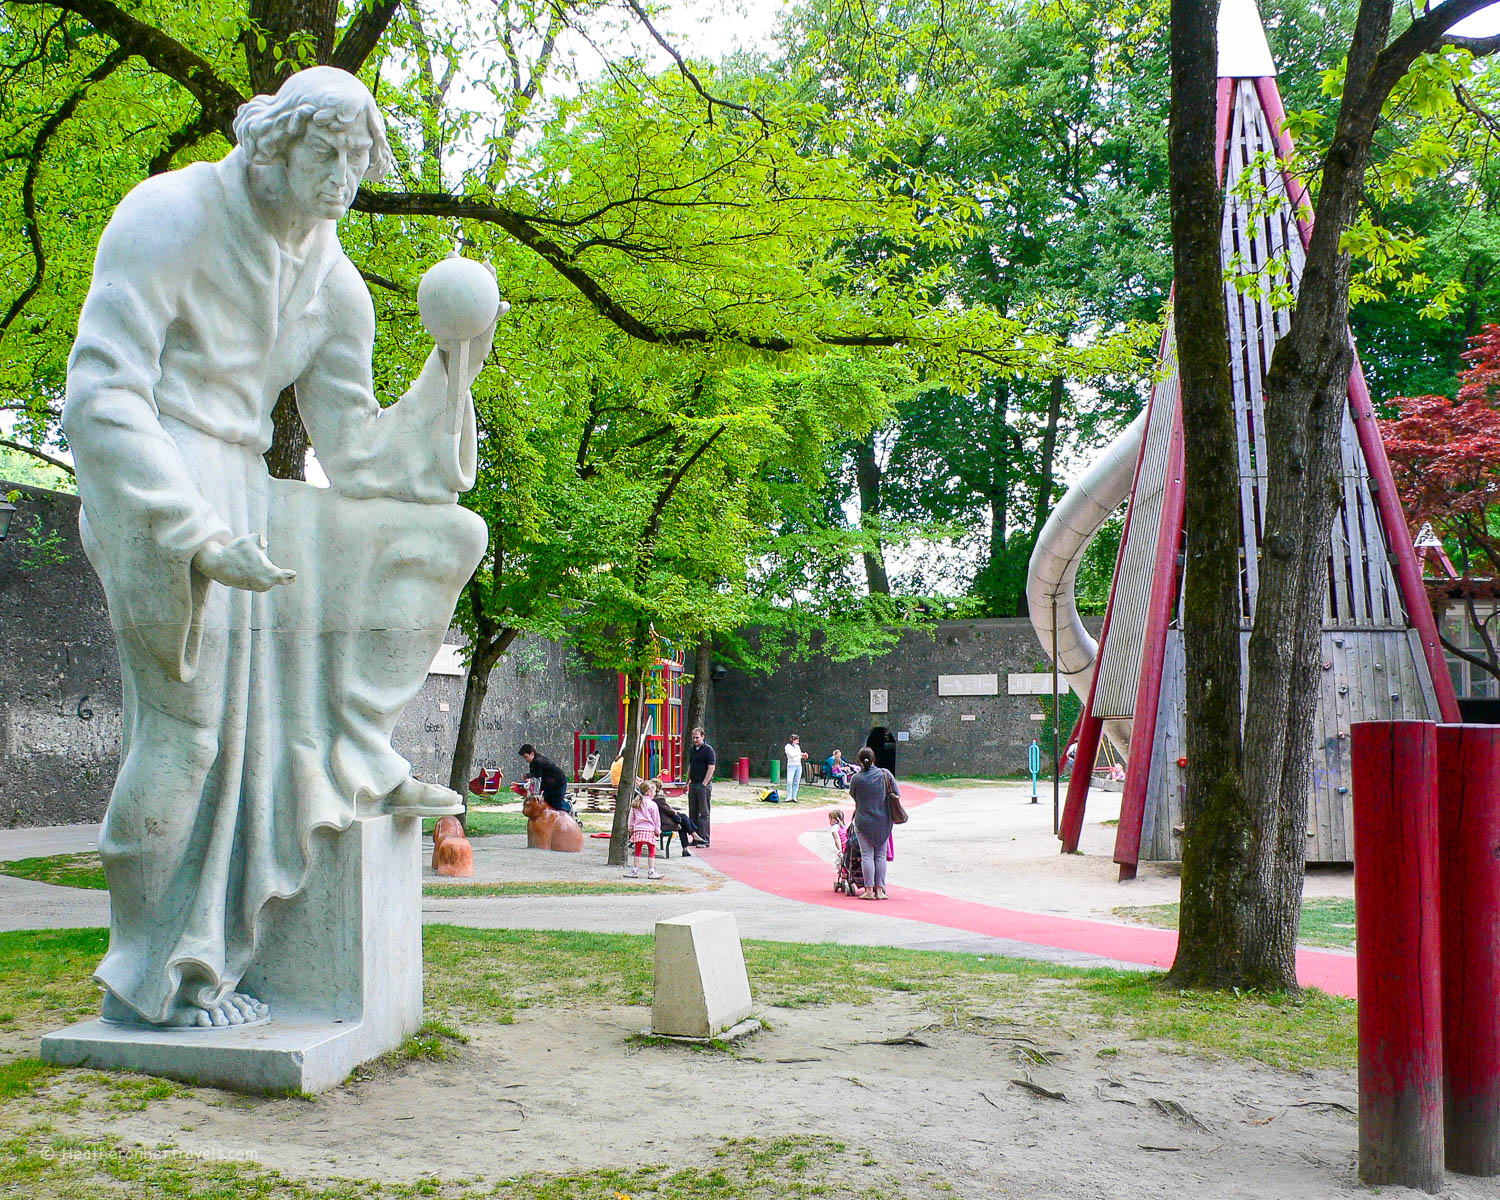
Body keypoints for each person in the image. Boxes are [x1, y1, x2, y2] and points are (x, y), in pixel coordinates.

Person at [62, 67, 493, 1029]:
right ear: (272, 143)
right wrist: (194, 531)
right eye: (325, 152)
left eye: (358, 159)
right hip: (158, 481)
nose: (343, 176)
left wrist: (452, 367)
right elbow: (101, 394)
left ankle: (350, 744)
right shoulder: (169, 215)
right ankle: (147, 977)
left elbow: (361, 453)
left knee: (446, 533)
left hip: (251, 491)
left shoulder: (335, 285)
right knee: (186, 735)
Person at [849, 747, 897, 900]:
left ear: (859, 761)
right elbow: (897, 793)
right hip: (883, 821)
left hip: (863, 821)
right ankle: (880, 890)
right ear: (874, 759)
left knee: (866, 855)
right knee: (880, 856)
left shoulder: (856, 778)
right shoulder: (885, 774)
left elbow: (853, 795)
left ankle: (869, 890)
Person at [519, 744, 572, 814]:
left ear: (532, 754)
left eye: (526, 757)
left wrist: (537, 794)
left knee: (556, 804)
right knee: (547, 803)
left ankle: (568, 806)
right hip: (549, 784)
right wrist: (528, 777)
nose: (526, 760)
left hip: (558, 783)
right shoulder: (533, 762)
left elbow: (538, 778)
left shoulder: (538, 761)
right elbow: (535, 775)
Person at [687, 726, 716, 847]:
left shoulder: (708, 750)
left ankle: (704, 839)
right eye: (693, 738)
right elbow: (690, 766)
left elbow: (711, 768)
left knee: (703, 813)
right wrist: (687, 782)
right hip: (693, 784)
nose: (695, 740)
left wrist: (704, 783)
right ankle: (696, 838)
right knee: (693, 812)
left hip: (703, 785)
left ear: (703, 737)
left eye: (697, 738)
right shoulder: (692, 750)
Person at [627, 783, 663, 880]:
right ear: (649, 792)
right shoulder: (653, 804)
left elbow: (631, 818)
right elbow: (656, 819)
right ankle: (651, 871)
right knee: (651, 851)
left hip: (638, 830)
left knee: (637, 851)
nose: (655, 793)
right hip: (649, 830)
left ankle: (635, 870)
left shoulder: (636, 803)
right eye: (654, 791)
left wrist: (631, 828)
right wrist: (658, 830)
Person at [784, 734, 809, 803]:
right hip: (791, 765)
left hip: (798, 765)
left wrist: (803, 756)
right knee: (789, 781)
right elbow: (791, 755)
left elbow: (798, 755)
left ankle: (794, 797)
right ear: (792, 740)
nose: (798, 741)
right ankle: (789, 797)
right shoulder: (788, 746)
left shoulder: (797, 747)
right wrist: (800, 753)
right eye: (796, 739)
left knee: (796, 782)